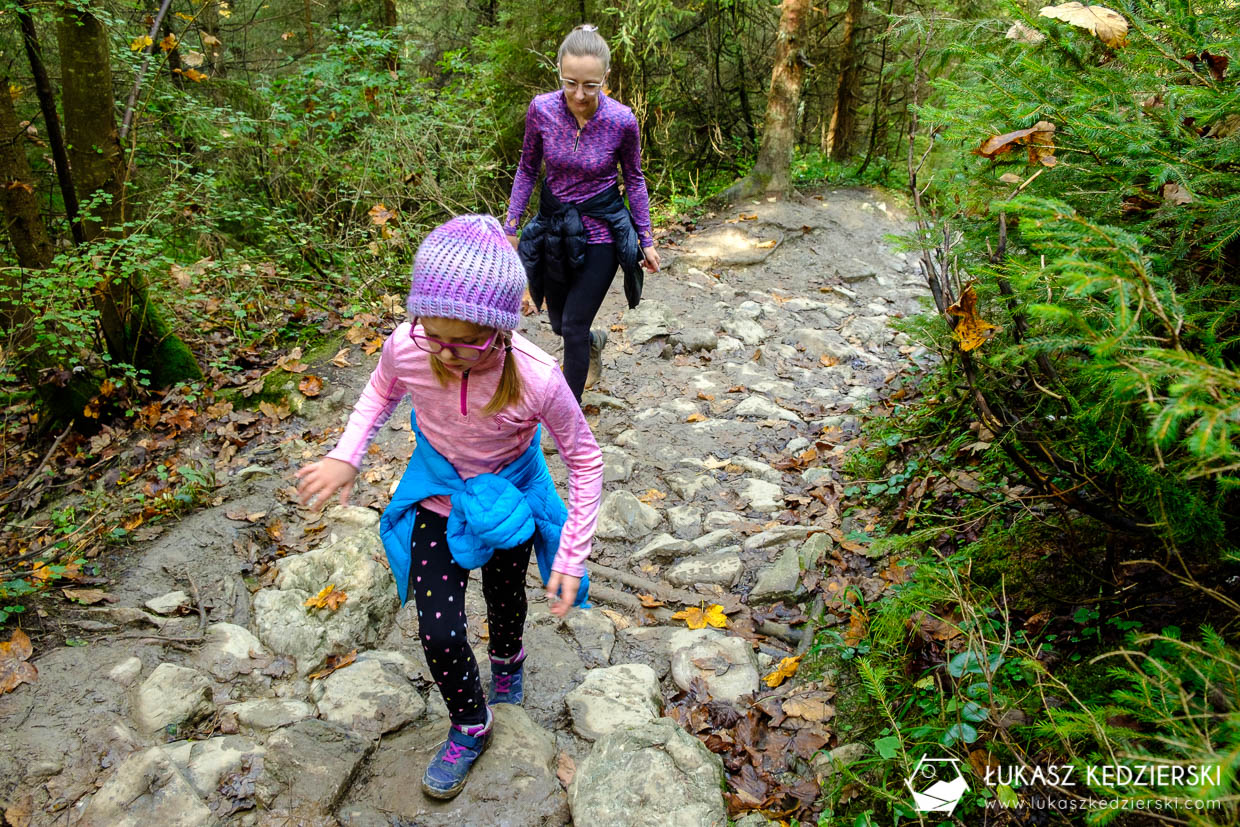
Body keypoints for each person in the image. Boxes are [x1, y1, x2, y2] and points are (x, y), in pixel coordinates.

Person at [294, 215, 604, 800]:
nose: (448, 353)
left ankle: (507, 661)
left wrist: (569, 554)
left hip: (509, 499)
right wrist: (346, 454)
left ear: (503, 328)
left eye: (467, 341)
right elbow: (379, 392)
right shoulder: (410, 346)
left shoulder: (537, 377)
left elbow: (586, 461)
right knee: (437, 630)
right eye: (433, 334)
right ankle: (470, 722)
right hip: (437, 495)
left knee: (507, 597)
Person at [505, 23, 660, 401]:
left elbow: (634, 179)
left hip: (603, 230)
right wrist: (511, 225)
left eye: (590, 85)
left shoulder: (622, 120)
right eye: (570, 82)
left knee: (572, 325)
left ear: (605, 78)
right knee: (560, 323)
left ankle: (568, 419)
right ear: (559, 70)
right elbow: (527, 169)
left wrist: (646, 238)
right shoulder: (541, 110)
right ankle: (593, 342)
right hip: (555, 228)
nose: (579, 94)